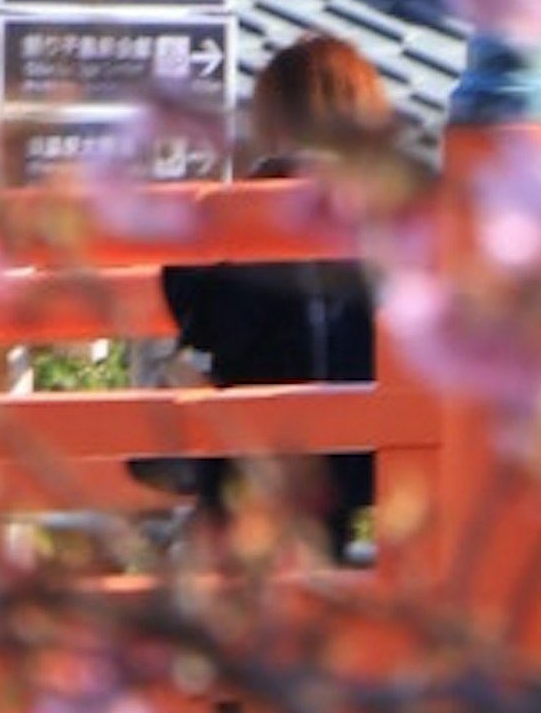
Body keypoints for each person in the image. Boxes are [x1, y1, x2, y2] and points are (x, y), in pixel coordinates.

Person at [158, 33, 392, 561]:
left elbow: (212, 319)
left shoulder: (250, 210)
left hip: (255, 458)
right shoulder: (386, 214)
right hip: (366, 459)